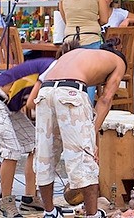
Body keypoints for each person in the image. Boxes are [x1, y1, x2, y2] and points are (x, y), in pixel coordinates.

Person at [33, 38, 127, 218]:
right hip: (70, 91)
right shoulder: (118, 61)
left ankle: (49, 212)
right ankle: (92, 215)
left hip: (45, 91)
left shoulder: (79, 55)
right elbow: (106, 99)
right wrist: (91, 135)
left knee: (45, 157)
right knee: (85, 159)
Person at [0, 57, 64, 217]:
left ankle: (29, 200)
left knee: (35, 145)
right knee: (11, 151)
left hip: (9, 105)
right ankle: (5, 203)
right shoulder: (53, 67)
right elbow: (31, 103)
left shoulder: (62, 70)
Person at [59, 0, 111, 103]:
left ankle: (70, 107)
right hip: (91, 39)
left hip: (70, 40)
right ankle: (87, 111)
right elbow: (105, 19)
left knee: (70, 76)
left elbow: (65, 17)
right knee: (90, 78)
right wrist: (93, 23)